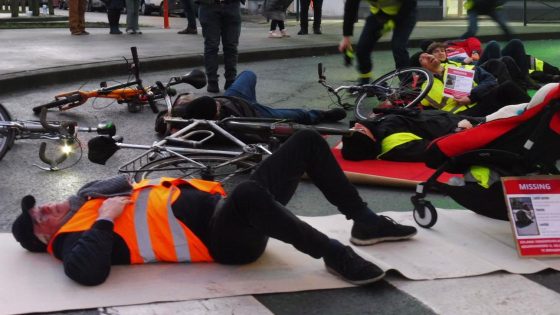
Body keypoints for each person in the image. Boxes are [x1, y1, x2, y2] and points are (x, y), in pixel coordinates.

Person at [12, 129, 417, 286]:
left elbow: (122, 180)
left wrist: (81, 198)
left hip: (228, 207)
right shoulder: (69, 240)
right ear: (43, 238)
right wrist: (103, 220)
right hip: (224, 240)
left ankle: (363, 221)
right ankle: (335, 255)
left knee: (308, 141)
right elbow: (86, 273)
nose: (44, 209)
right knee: (248, 194)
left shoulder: (83, 201)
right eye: (38, 218)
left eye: (39, 206)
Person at [157, 70, 347, 130]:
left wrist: (167, 116)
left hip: (233, 97)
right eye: (216, 106)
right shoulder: (226, 127)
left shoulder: (185, 113)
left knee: (248, 74)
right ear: (213, 116)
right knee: (296, 115)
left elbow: (161, 120)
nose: (217, 104)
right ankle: (321, 114)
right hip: (251, 115)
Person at [413, 52, 530, 116]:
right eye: (422, 58)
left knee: (508, 86)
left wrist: (471, 97)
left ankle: (538, 110)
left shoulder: (460, 67)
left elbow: (490, 81)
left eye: (428, 54)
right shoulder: (425, 88)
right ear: (421, 68)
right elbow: (422, 110)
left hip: (481, 102)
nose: (428, 56)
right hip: (460, 116)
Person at [339, 0, 418, 85]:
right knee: (362, 48)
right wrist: (346, 38)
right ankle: (365, 82)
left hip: (405, 13)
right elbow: (350, 9)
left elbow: (410, 2)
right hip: (379, 14)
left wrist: (394, 21)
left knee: (398, 47)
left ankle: (408, 84)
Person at [198, 0, 244, 93]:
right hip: (208, 6)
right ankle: (212, 81)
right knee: (211, 46)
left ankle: (231, 80)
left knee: (231, 46)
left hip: (232, 5)